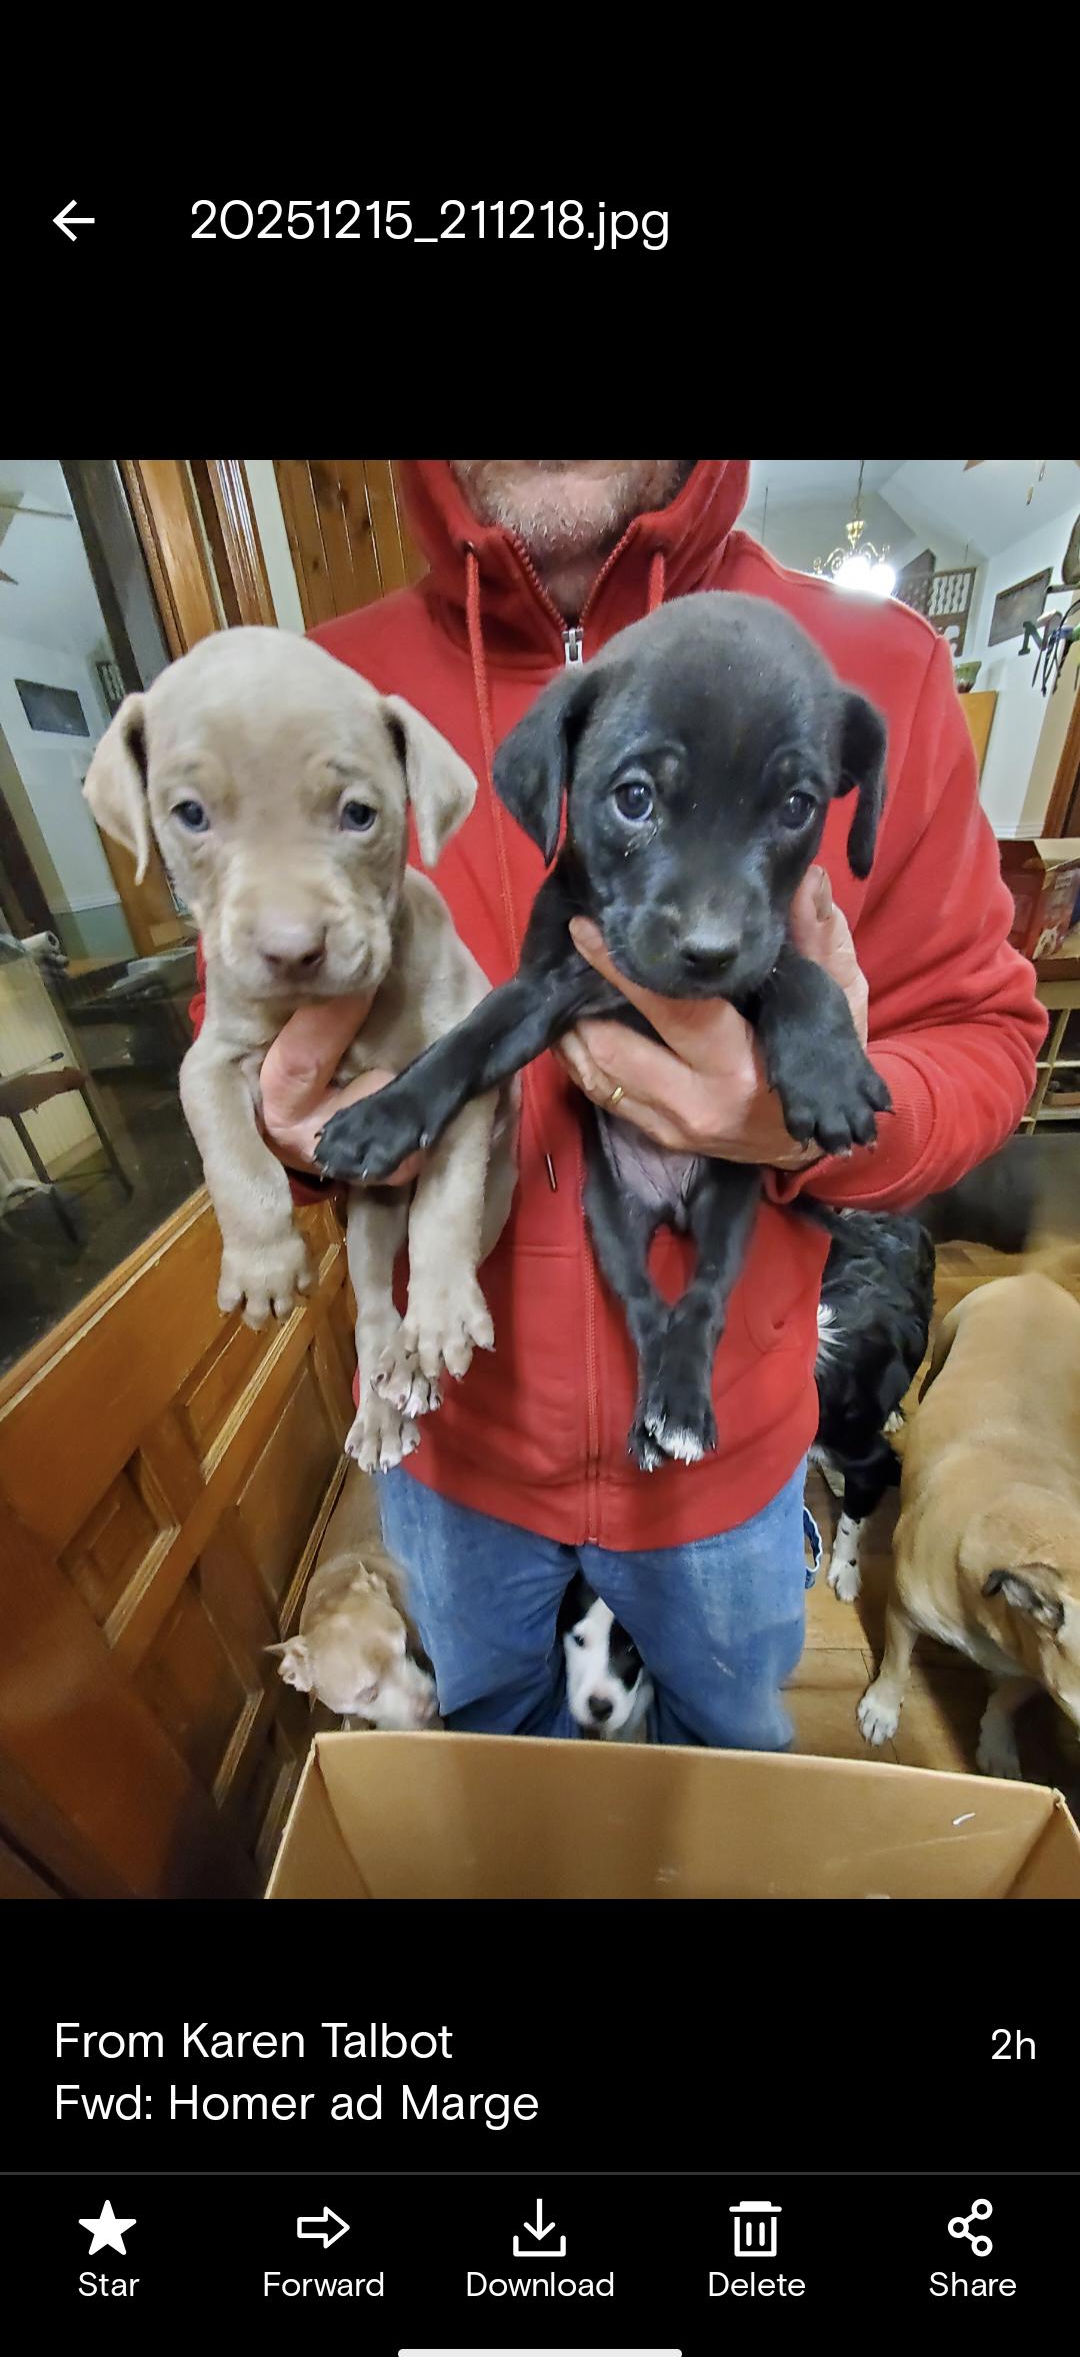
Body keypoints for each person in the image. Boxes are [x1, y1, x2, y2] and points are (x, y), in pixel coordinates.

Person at [191, 460, 1045, 1749]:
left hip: (728, 1443)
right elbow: (255, 1030)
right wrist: (294, 1139)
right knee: (501, 1757)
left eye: (793, 807)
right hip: (452, 1430)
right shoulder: (316, 698)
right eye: (634, 799)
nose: (707, 917)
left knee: (727, 1759)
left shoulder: (882, 667)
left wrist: (814, 1122)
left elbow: (982, 1035)